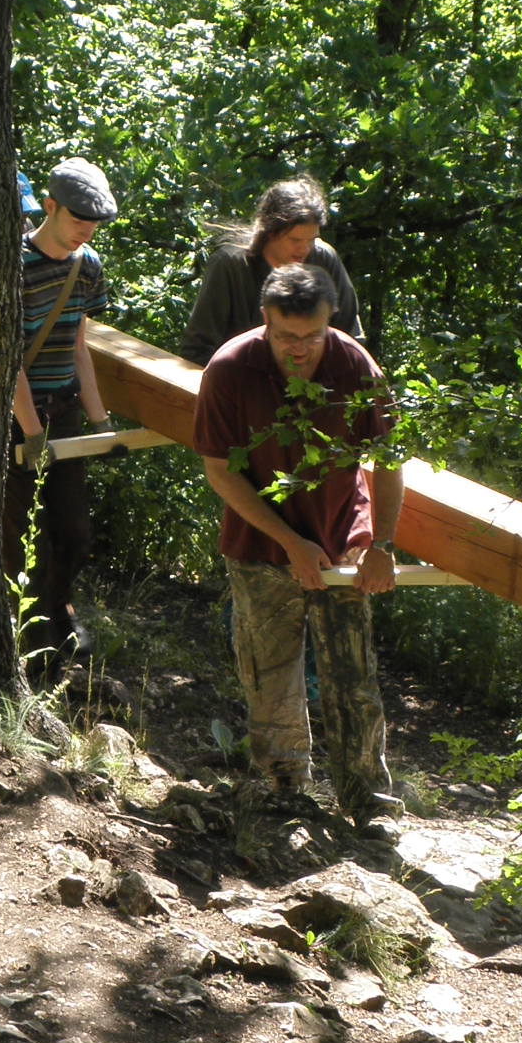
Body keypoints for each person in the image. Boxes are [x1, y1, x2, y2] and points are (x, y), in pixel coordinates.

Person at [192, 262, 404, 834]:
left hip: (343, 545)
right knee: (270, 673)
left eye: (312, 337)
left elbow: (387, 462)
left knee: (352, 679)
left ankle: (367, 802)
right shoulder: (231, 368)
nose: (300, 350)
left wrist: (381, 544)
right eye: (286, 337)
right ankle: (287, 787)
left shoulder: (355, 365)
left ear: (330, 321)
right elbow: (220, 471)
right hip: (259, 546)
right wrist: (288, 541)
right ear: (265, 320)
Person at [5, 158, 116, 682]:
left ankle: (60, 613)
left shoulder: (86, 264)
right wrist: (30, 434)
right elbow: (5, 363)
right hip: (15, 418)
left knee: (74, 533)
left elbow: (78, 345)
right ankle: (32, 642)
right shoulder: (13, 268)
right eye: (77, 222)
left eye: (92, 227)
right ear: (49, 207)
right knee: (24, 536)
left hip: (63, 410)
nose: (83, 234)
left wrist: (100, 422)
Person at [179, 177, 363, 366]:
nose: (305, 249)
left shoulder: (324, 258)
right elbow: (198, 348)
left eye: (311, 240)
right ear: (270, 232)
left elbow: (351, 338)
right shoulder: (230, 265)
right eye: (295, 240)